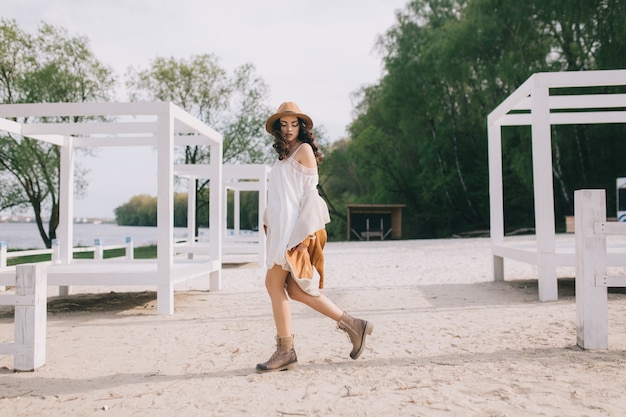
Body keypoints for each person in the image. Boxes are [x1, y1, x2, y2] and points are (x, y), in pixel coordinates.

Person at [256, 102, 373, 373]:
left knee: (274, 285)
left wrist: (300, 236)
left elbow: (308, 197)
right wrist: (268, 220)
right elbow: (280, 195)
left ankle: (286, 350)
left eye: (293, 124)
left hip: (293, 231)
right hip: (281, 229)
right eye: (283, 124)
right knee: (295, 290)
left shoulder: (304, 150)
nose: (288, 129)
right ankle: (354, 325)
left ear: (302, 126)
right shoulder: (283, 156)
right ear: (277, 128)